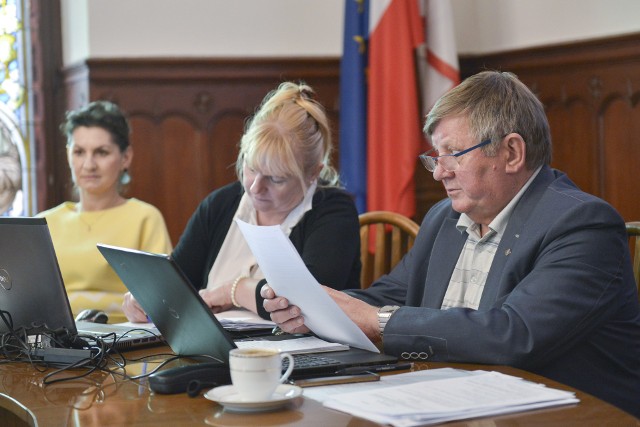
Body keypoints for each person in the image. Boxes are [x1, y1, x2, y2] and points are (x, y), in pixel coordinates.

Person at [263, 71, 640, 417]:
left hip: (566, 416)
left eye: (452, 154)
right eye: (435, 156)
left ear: (511, 153)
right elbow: (388, 296)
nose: (439, 171)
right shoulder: (444, 218)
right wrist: (312, 309)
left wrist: (374, 320)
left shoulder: (582, 225)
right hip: (452, 405)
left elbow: (513, 334)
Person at [122, 81, 361, 322]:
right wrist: (146, 297)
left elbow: (309, 300)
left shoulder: (334, 212)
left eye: (276, 179)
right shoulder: (220, 205)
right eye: (251, 167)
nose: (256, 187)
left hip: (298, 356)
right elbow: (177, 281)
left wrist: (233, 291)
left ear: (313, 173)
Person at [38, 101, 172, 323]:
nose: (89, 165)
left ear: (125, 158)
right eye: (79, 152)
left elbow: (163, 298)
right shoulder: (43, 222)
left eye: (101, 152)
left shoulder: (144, 218)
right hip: (51, 340)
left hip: (124, 341)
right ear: (68, 155)